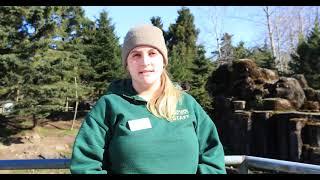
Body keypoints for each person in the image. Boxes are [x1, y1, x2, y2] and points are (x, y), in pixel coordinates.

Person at [70, 24, 226, 174]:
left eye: (152, 53)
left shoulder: (187, 104)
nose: (145, 62)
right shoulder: (109, 105)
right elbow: (85, 164)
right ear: (127, 64)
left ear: (163, 60)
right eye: (136, 55)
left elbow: (213, 156)